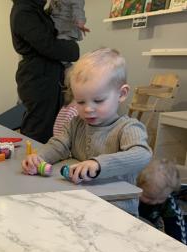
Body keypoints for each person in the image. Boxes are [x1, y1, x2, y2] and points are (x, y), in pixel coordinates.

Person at [22, 48, 152, 215]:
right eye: (81, 102)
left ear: (122, 94)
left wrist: (98, 164)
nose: (88, 109)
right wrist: (39, 158)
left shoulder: (128, 128)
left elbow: (142, 154)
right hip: (82, 203)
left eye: (98, 100)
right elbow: (58, 144)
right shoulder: (76, 123)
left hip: (117, 210)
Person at [10, 0, 79, 143]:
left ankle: (45, 155)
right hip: (39, 78)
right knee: (39, 129)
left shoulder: (35, 9)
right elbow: (48, 45)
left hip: (47, 75)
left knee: (52, 127)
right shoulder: (24, 11)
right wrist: (74, 50)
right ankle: (33, 156)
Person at [137, 159, 186, 244]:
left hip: (148, 231)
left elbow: (177, 226)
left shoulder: (168, 201)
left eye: (161, 199)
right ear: (139, 185)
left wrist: (180, 246)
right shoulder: (131, 192)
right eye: (149, 197)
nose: (154, 202)